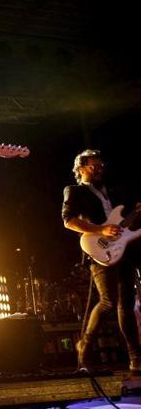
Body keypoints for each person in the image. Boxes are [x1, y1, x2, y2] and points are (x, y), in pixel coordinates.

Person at [62, 149, 141, 372]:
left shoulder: (113, 190)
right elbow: (69, 221)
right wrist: (101, 229)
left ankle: (136, 358)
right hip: (100, 250)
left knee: (125, 304)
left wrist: (135, 214)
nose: (98, 170)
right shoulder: (75, 191)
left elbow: (123, 222)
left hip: (123, 249)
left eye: (100, 166)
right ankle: (84, 348)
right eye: (93, 167)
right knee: (107, 302)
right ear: (80, 168)